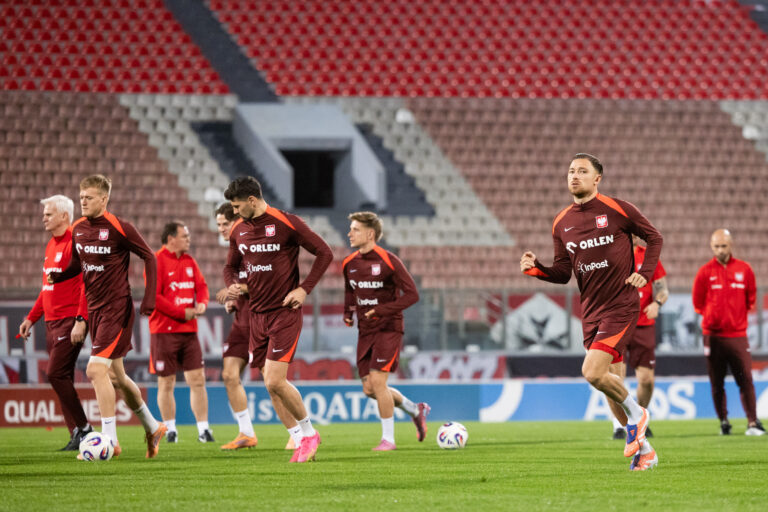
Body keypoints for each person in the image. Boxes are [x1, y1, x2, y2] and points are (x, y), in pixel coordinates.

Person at [520, 153, 663, 471]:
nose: (574, 176)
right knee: (611, 385)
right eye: (570, 171)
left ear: (597, 178)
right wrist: (536, 269)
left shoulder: (618, 209)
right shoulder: (561, 222)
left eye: (582, 171)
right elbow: (562, 272)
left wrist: (647, 272)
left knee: (592, 372)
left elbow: (654, 237)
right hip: (592, 311)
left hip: (622, 305)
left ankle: (639, 415)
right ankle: (646, 452)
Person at [48, 174, 167, 459]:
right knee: (117, 377)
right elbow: (79, 264)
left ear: (104, 199)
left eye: (88, 198)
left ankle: (109, 440)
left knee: (94, 370)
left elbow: (149, 256)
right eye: (81, 198)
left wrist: (149, 299)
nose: (83, 202)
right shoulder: (78, 229)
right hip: (95, 309)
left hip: (117, 309)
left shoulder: (118, 227)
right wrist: (62, 274)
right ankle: (153, 426)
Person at [223, 177, 333, 463]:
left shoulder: (285, 222)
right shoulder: (238, 230)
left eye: (237, 206)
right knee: (270, 384)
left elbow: (324, 252)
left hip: (285, 312)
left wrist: (304, 288)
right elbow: (230, 266)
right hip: (255, 316)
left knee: (274, 380)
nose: (234, 212)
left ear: (251, 200)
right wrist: (232, 287)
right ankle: (299, 439)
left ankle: (309, 434)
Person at [342, 211, 430, 451]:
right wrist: (348, 313)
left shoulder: (389, 260)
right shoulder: (348, 263)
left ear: (370, 234)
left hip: (389, 328)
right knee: (370, 389)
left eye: (355, 229)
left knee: (379, 383)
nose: (350, 233)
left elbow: (412, 295)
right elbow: (351, 291)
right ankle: (414, 409)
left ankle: (388, 440)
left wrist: (382, 310)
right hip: (365, 331)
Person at [18, 195, 92, 451]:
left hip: (70, 320)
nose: (44, 218)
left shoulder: (76, 241)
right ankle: (76, 434)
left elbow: (86, 284)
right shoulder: (51, 245)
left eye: (48, 214)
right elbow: (46, 288)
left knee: (55, 373)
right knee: (63, 377)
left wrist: (81, 320)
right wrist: (31, 317)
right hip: (51, 322)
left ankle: (84, 428)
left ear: (63, 215)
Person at [692, 229, 765, 436]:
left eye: (723, 246)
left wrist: (734, 317)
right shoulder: (704, 272)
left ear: (731, 245)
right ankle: (724, 421)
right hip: (713, 336)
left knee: (746, 379)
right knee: (717, 382)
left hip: (738, 335)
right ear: (711, 247)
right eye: (716, 246)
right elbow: (697, 303)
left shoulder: (745, 270)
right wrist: (713, 317)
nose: (720, 250)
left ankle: (752, 422)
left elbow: (750, 299)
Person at [149, 221, 213, 443]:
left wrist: (203, 302)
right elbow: (154, 297)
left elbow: (202, 287)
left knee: (198, 380)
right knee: (166, 382)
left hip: (189, 331)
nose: (189, 239)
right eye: (184, 236)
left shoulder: (189, 261)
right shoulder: (156, 261)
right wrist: (180, 313)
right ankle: (170, 429)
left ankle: (204, 429)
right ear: (171, 239)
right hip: (164, 331)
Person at [610, 236, 668, 440]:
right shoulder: (610, 253)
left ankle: (639, 418)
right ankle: (619, 424)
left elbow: (662, 289)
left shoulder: (649, 256)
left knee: (646, 381)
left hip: (644, 324)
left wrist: (657, 304)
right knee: (616, 378)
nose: (633, 235)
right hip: (618, 323)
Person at [214, 203, 258, 450]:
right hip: (241, 321)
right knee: (230, 374)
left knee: (273, 381)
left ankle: (298, 433)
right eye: (218, 224)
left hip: (260, 321)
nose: (221, 229)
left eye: (225, 224)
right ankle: (246, 433)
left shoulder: (250, 244)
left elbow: (264, 281)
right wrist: (233, 300)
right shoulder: (234, 251)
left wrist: (237, 290)